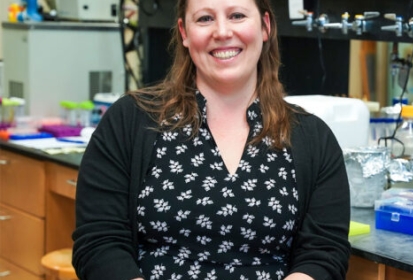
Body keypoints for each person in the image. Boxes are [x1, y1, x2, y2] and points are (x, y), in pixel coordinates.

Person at [71, 0, 351, 279]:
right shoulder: (130, 121)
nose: (222, 31)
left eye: (237, 15)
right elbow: (99, 243)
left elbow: (324, 253)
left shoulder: (313, 138)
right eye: (205, 19)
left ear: (265, 27)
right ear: (184, 32)